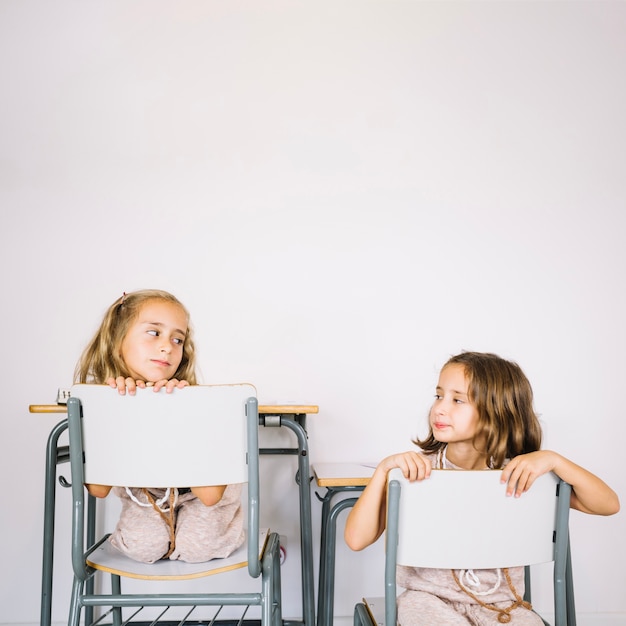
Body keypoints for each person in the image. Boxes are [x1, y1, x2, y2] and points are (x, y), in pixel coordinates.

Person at [344, 351, 619, 625]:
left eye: (457, 400)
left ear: (496, 411)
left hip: (503, 607)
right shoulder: (414, 472)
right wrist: (383, 471)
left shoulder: (519, 473)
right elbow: (356, 540)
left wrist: (554, 460)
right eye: (439, 396)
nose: (440, 408)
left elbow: (608, 504)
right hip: (426, 601)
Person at [74, 289, 245, 564]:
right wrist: (116, 410)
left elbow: (210, 496)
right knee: (142, 549)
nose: (168, 346)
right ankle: (168, 535)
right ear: (118, 341)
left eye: (178, 339)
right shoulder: (102, 401)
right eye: (154, 333)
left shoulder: (196, 401)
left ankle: (226, 531)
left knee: (198, 548)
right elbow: (98, 489)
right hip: (148, 494)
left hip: (202, 493)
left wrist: (181, 410)